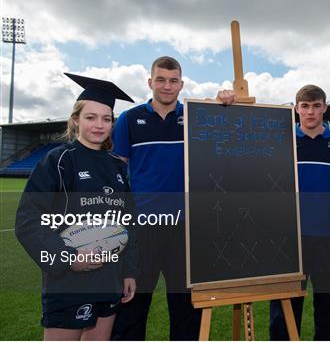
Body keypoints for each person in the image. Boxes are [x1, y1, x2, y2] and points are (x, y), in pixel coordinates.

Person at [111, 56, 235, 340]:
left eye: (173, 80)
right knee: (131, 307)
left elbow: (231, 132)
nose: (167, 86)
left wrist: (226, 100)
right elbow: (116, 173)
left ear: (181, 83)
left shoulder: (195, 116)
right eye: (161, 79)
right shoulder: (129, 119)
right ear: (150, 81)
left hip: (186, 230)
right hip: (142, 229)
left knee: (186, 312)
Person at [15, 73, 138, 340]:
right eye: (90, 117)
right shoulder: (58, 161)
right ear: (75, 120)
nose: (99, 125)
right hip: (68, 282)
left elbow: (127, 222)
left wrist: (128, 271)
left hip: (109, 279)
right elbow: (28, 219)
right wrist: (68, 258)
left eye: (106, 119)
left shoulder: (117, 166)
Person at [269, 85, 330, 340]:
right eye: (305, 106)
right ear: (296, 109)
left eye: (316, 106)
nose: (311, 112)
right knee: (284, 312)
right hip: (290, 242)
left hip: (329, 240)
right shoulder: (282, 143)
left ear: (324, 107)